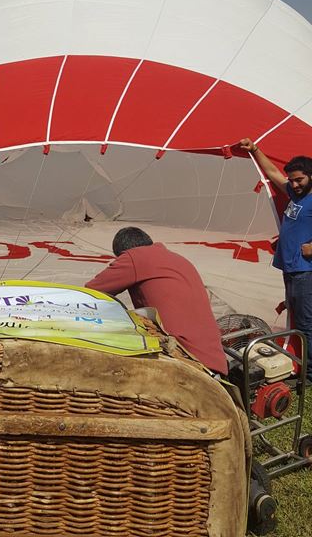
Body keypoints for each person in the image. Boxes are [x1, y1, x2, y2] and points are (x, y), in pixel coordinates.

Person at [85, 227, 227, 375]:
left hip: (184, 354)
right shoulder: (179, 259)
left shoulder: (135, 257)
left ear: (123, 253)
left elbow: (90, 292)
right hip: (214, 360)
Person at [239, 139, 312, 383]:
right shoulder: (295, 194)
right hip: (291, 269)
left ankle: (309, 374)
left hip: (305, 272)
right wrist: (255, 150)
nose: (293, 184)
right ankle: (301, 364)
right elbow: (272, 173)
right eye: (291, 180)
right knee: (298, 319)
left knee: (306, 324)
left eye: (299, 179)